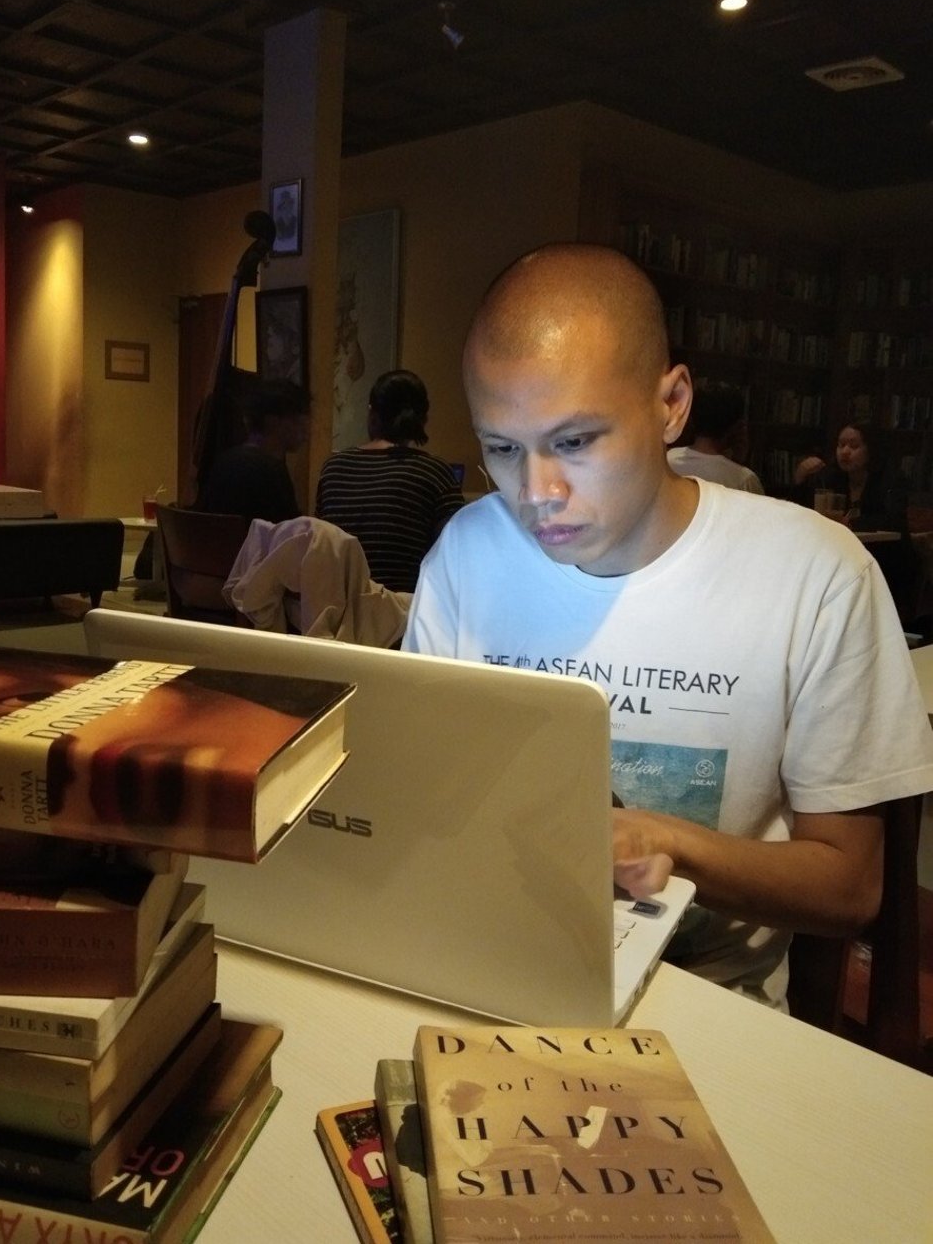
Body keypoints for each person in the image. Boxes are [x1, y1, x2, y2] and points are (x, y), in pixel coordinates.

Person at [402, 243, 932, 1009]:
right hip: (497, 963)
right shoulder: (469, 551)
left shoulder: (814, 572)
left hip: (707, 999)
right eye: (501, 449)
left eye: (575, 441)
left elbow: (850, 885)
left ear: (670, 403)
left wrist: (666, 842)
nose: (536, 492)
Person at [315, 369, 465, 592]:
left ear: (372, 415)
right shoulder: (435, 473)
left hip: (336, 611)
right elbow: (456, 553)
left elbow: (321, 542)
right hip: (404, 614)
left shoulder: (334, 468)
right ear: (422, 420)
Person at [193, 375, 309, 524]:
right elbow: (289, 537)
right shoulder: (271, 472)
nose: (305, 434)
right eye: (299, 422)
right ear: (273, 421)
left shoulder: (224, 461)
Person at [793, 420, 908, 532]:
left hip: (884, 548)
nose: (845, 452)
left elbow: (894, 521)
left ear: (871, 450)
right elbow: (803, 513)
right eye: (841, 445)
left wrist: (852, 523)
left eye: (854, 446)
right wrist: (800, 477)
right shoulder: (832, 477)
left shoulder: (891, 478)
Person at [667, 381, 764, 493]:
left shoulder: (666, 461)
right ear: (737, 426)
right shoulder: (745, 480)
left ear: (691, 419)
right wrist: (739, 463)